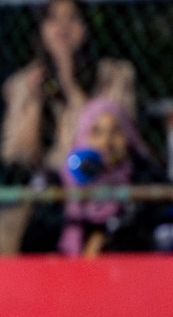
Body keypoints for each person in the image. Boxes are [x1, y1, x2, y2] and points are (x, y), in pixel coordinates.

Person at [0, 0, 136, 253]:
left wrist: (69, 82)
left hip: (101, 184)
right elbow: (16, 155)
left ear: (86, 28)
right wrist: (34, 105)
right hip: (46, 193)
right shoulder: (21, 84)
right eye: (53, 20)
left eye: (72, 18)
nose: (62, 27)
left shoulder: (115, 75)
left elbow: (103, 142)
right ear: (40, 30)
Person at [58, 96, 154, 257]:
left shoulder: (145, 176)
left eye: (116, 131)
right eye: (96, 132)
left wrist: (106, 236)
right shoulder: (60, 183)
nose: (106, 142)